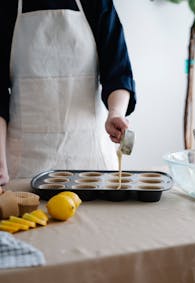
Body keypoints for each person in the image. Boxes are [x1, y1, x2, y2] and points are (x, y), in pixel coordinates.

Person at [0, 0, 136, 185]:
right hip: (26, 164)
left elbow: (118, 73)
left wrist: (116, 113)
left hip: (92, 162)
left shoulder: (98, 3)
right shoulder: (6, 6)